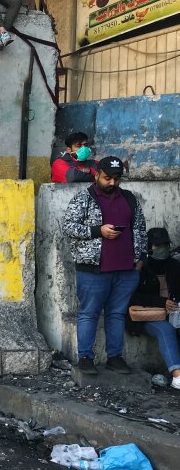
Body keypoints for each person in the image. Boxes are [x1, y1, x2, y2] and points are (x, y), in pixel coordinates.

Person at [62, 156, 147, 375]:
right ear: (97, 174)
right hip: (93, 270)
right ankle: (85, 358)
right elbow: (69, 226)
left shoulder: (130, 199)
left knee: (117, 314)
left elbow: (139, 228)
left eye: (116, 179)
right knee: (89, 314)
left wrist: (140, 260)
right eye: (107, 178)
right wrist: (98, 231)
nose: (111, 183)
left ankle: (115, 357)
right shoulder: (84, 198)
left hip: (126, 270)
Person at [126, 228, 180, 389]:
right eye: (158, 245)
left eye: (165, 244)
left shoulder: (174, 265)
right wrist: (161, 302)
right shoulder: (141, 267)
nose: (162, 248)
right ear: (149, 246)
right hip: (147, 316)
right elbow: (132, 296)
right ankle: (177, 376)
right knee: (166, 330)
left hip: (173, 313)